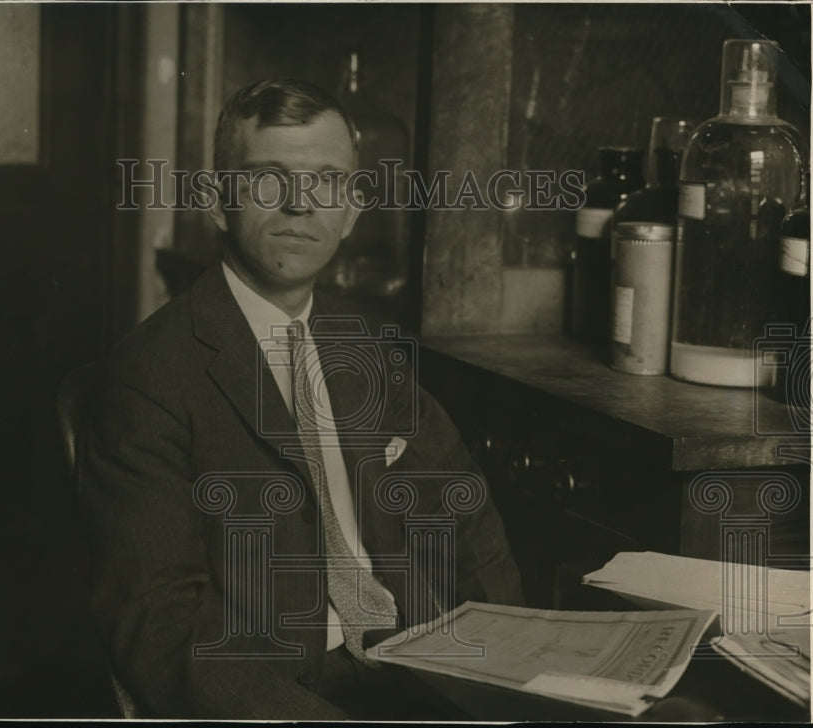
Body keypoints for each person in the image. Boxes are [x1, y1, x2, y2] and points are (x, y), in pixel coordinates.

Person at [79, 78, 524, 720]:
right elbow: (160, 630)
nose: (300, 204)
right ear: (216, 199)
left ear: (351, 210)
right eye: (269, 178)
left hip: (413, 670)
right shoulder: (151, 375)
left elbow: (467, 518)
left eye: (327, 181)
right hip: (281, 695)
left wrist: (512, 671)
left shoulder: (365, 345)